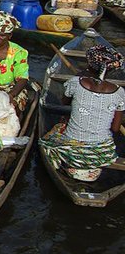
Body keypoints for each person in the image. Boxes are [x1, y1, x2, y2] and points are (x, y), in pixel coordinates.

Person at [40, 45, 125, 182]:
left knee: (52, 134)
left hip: (72, 149)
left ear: (90, 66)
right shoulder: (120, 92)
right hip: (101, 154)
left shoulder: (75, 83)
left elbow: (63, 104)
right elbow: (115, 129)